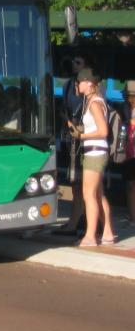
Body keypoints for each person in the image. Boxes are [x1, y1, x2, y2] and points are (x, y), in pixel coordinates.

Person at [68, 67, 117, 246]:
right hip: (96, 151)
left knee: (88, 194)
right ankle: (108, 232)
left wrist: (81, 136)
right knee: (98, 194)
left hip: (95, 152)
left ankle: (90, 236)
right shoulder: (94, 101)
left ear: (89, 83)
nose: (77, 84)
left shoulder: (95, 103)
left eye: (80, 81)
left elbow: (103, 131)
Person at [53, 53, 93, 235]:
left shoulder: (93, 90)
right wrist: (67, 122)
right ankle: (78, 220)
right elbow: (65, 110)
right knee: (76, 184)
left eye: (78, 62)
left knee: (87, 187)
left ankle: (83, 223)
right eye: (73, 61)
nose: (74, 64)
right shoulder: (68, 85)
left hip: (86, 141)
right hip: (72, 140)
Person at [118, 80, 135, 226]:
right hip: (128, 151)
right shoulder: (124, 108)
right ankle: (133, 217)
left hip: (131, 149)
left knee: (131, 185)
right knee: (130, 184)